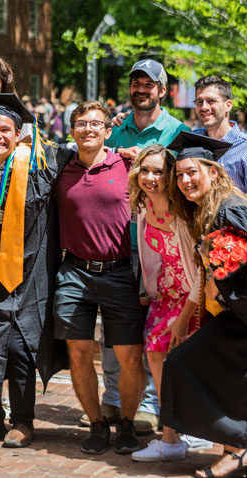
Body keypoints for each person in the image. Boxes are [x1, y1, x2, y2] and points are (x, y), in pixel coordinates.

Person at [162, 131, 247, 478]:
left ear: (215, 173)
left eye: (192, 172)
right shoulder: (216, 211)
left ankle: (237, 452)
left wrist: (218, 287)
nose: (185, 180)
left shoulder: (231, 212)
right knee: (195, 362)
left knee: (193, 362)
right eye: (179, 175)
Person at [0, 93, 70, 449]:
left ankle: (23, 420)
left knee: (23, 347)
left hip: (29, 274)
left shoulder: (41, 163)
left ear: (19, 133)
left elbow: (75, 151)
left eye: (4, 130)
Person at [97, 59, 191, 435]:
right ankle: (115, 397)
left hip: (161, 240)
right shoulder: (116, 129)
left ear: (162, 90)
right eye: (136, 83)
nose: (141, 89)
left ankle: (152, 401)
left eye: (148, 84)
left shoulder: (177, 132)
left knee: (158, 321)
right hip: (119, 237)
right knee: (116, 320)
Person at [52, 101, 144, 455]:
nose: (87, 129)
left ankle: (126, 424)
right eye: (80, 123)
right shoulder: (61, 166)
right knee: (78, 354)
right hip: (74, 272)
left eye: (95, 123)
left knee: (129, 357)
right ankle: (96, 423)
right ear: (71, 129)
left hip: (119, 272)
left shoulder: (127, 165)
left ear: (108, 130)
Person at [126, 145, 202, 462]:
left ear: (170, 175)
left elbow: (201, 267)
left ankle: (181, 433)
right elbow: (153, 256)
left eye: (159, 171)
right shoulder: (143, 204)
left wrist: (187, 316)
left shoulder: (182, 210)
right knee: (155, 356)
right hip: (165, 293)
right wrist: (148, 286)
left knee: (177, 361)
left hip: (193, 297)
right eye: (145, 170)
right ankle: (172, 435)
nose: (150, 177)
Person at [191, 75, 247, 219]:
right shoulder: (192, 141)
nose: (204, 107)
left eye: (211, 101)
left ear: (228, 105)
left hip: (233, 237)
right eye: (199, 102)